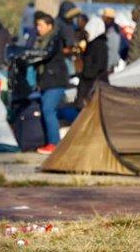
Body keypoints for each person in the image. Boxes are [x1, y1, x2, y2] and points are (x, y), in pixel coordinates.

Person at [30, 13, 69, 155]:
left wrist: (31, 55)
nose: (38, 28)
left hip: (55, 81)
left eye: (40, 25)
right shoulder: (41, 40)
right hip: (47, 81)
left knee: (48, 110)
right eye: (37, 25)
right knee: (55, 110)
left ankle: (54, 144)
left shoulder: (54, 40)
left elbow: (46, 54)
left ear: (49, 26)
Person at [75, 17, 108, 109]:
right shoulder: (92, 44)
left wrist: (85, 73)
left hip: (93, 83)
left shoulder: (99, 45)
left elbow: (97, 65)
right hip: (89, 82)